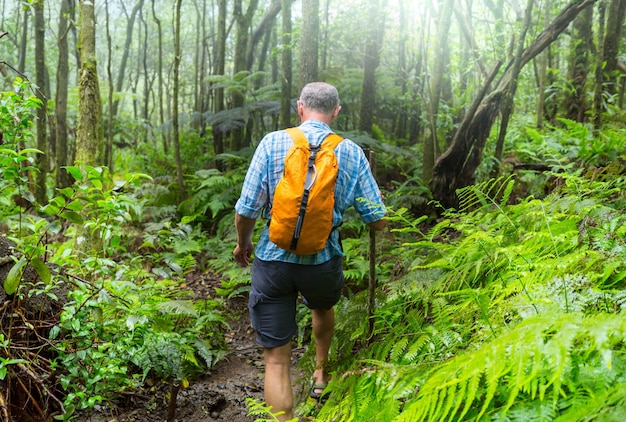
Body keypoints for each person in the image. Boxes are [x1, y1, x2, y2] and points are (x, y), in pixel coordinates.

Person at [233, 82, 386, 421]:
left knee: (275, 359)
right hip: (323, 258)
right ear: (336, 111)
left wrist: (243, 244)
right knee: (321, 307)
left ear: (300, 107)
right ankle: (321, 372)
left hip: (273, 259)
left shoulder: (272, 143)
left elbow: (246, 210)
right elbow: (376, 221)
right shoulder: (351, 152)